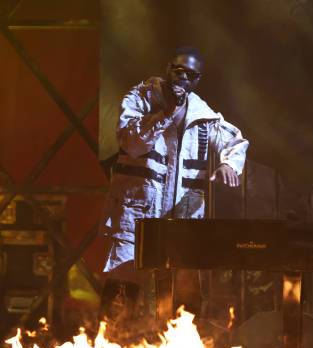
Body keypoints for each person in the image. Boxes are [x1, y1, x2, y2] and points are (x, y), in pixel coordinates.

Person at [99, 47, 249, 322]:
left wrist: (229, 163)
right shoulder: (141, 99)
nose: (183, 79)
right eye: (178, 72)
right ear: (168, 69)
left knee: (185, 285)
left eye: (190, 75)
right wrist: (164, 115)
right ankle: (112, 341)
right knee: (124, 278)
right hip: (137, 211)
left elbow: (234, 141)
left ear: (197, 80)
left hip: (183, 213)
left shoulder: (202, 115)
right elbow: (131, 143)